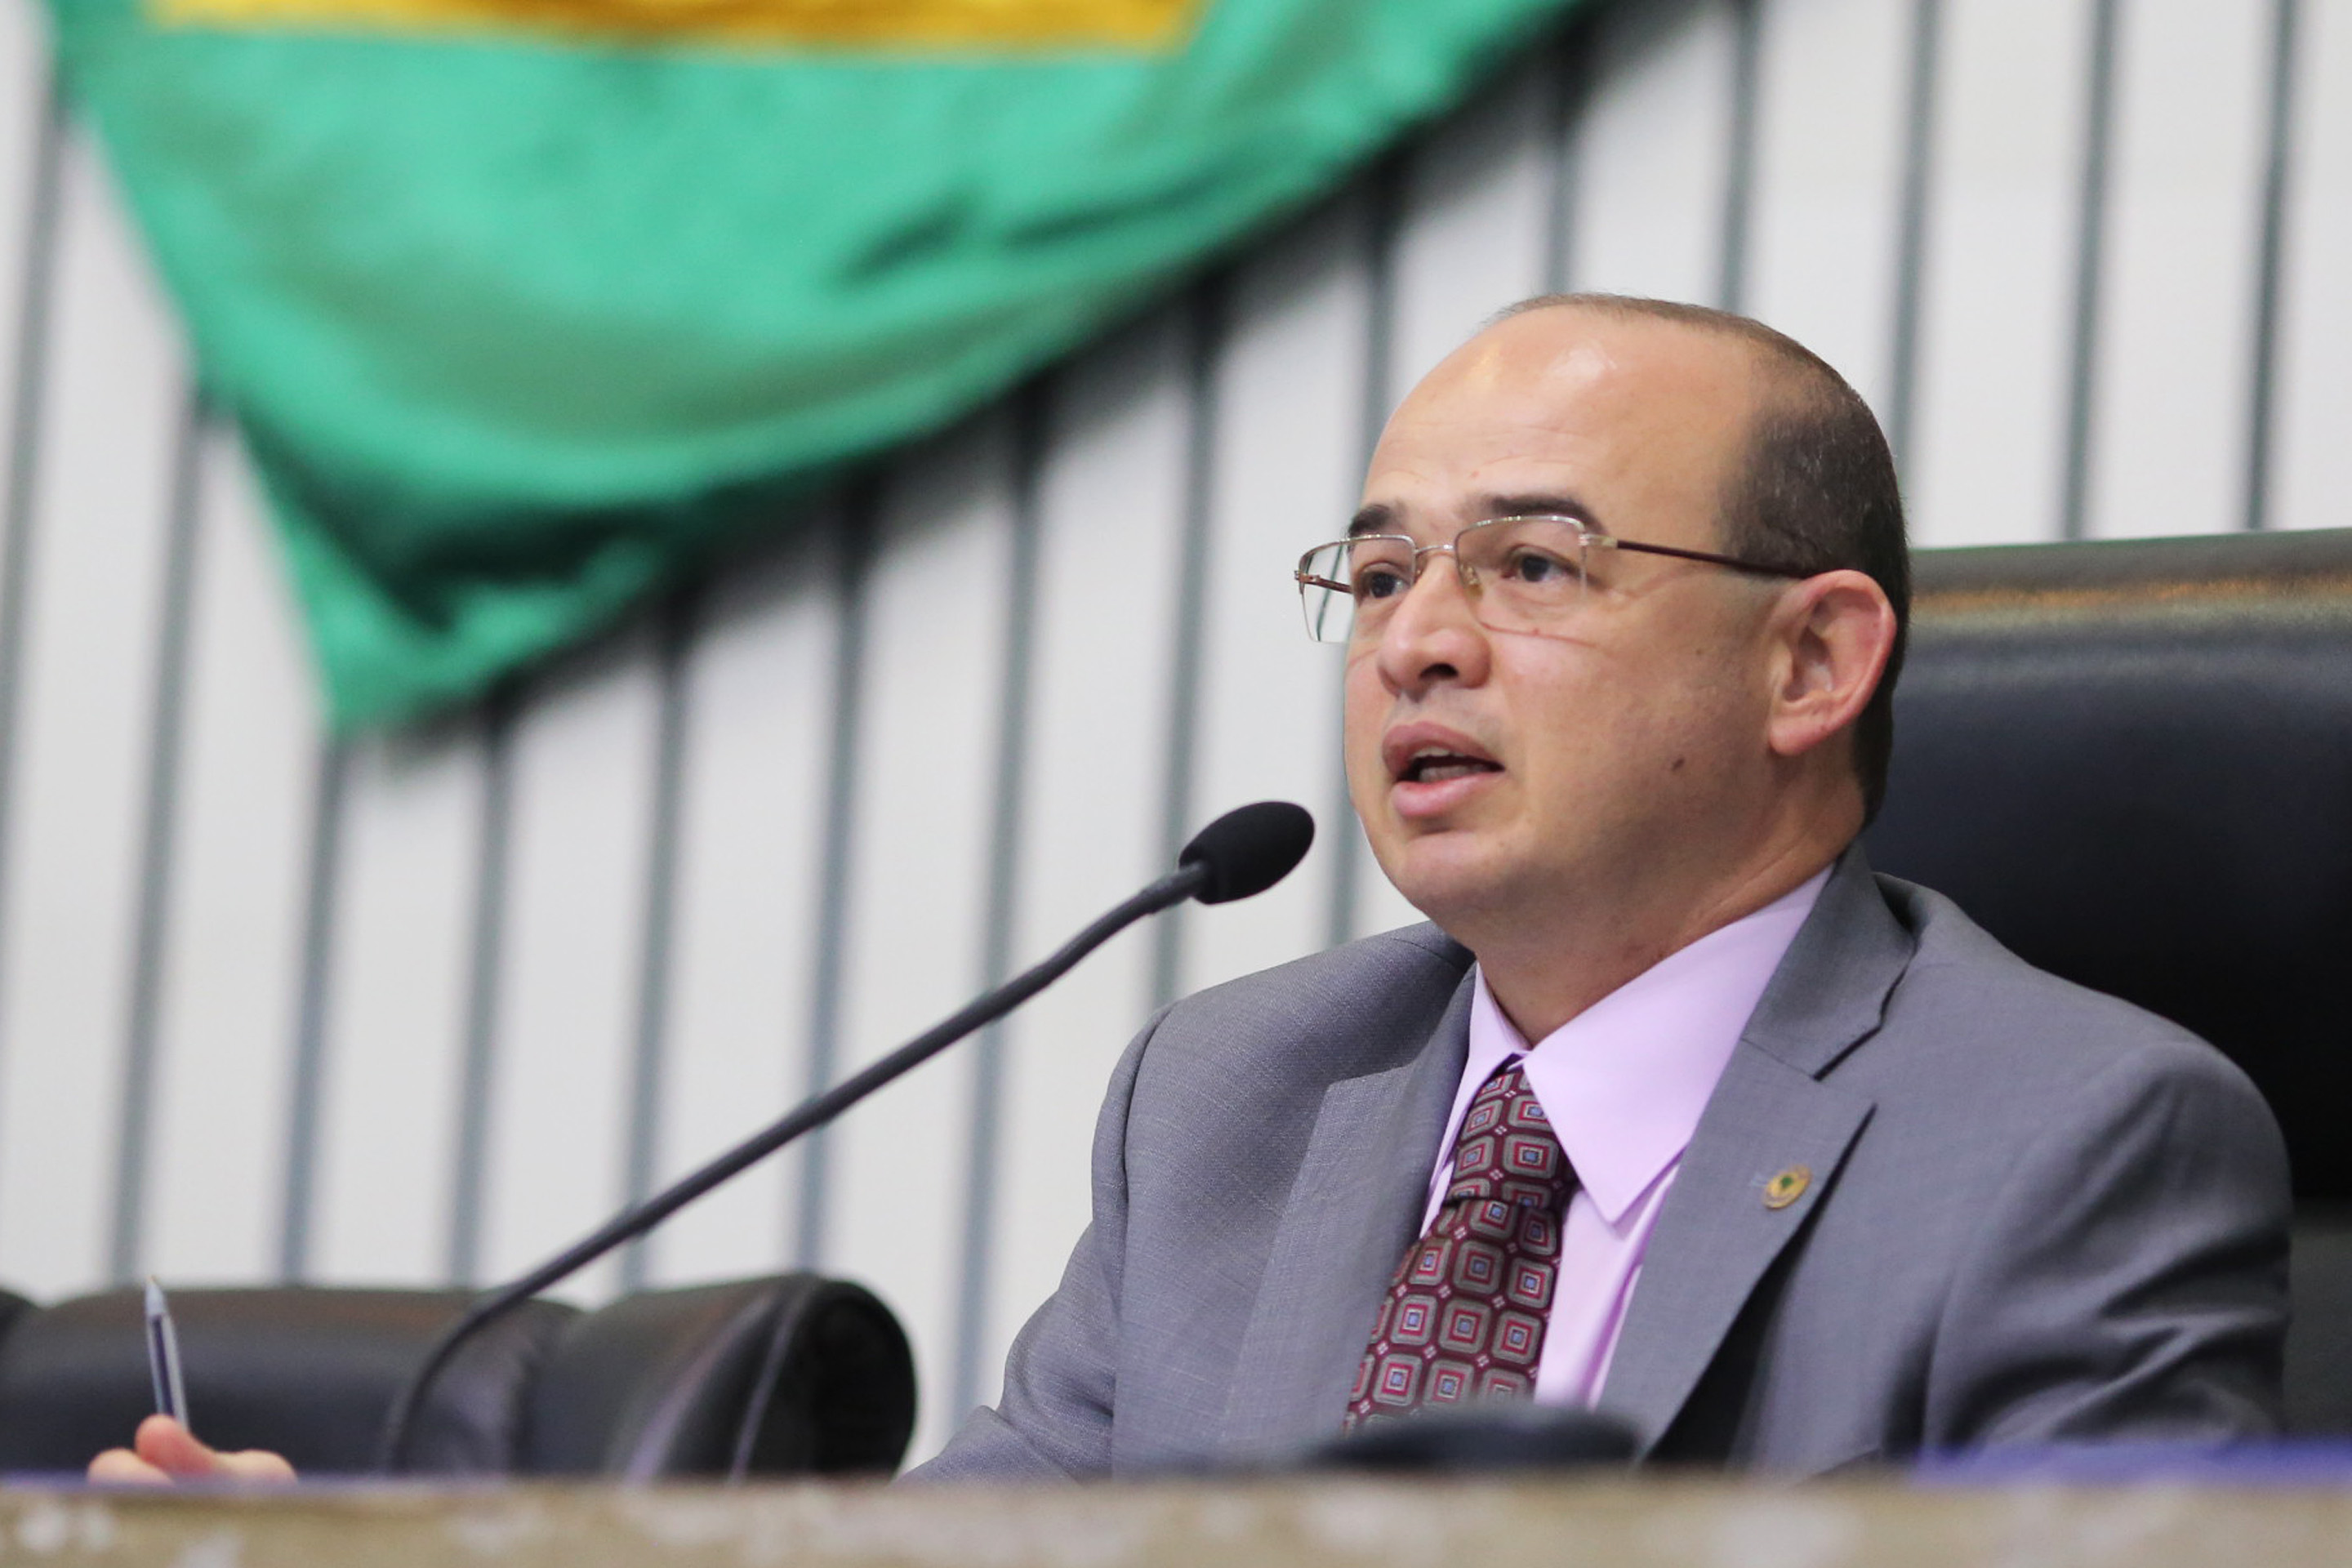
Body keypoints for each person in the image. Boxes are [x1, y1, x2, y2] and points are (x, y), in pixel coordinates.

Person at [90, 294, 2289, 1486]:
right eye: (1382, 572)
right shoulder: (1239, 1090)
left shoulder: (2072, 1137)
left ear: (1812, 662)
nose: (1420, 642)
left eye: (1534, 567)